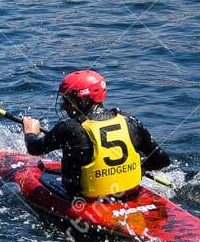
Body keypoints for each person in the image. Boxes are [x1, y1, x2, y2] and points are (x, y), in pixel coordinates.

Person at [20, 71, 170, 202]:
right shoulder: (130, 121)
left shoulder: (69, 127)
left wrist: (30, 132)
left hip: (85, 199)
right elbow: (162, 160)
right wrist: (141, 169)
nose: (63, 106)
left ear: (84, 100)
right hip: (129, 193)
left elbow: (34, 149)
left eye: (68, 100)